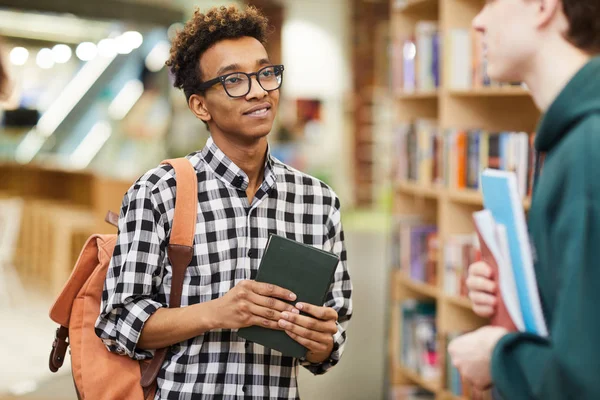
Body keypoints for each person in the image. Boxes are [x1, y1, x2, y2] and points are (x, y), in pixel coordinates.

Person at [94, 5, 352, 399]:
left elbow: (332, 338)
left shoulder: (318, 202)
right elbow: (117, 322)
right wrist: (218, 312)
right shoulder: (159, 191)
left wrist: (321, 341)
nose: (259, 90)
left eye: (266, 73)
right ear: (200, 105)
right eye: (234, 80)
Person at [448, 0, 600, 399]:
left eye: (492, 2)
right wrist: (518, 287)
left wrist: (498, 358)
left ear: (543, 6)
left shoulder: (588, 147)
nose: (478, 22)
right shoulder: (570, 138)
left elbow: (585, 380)